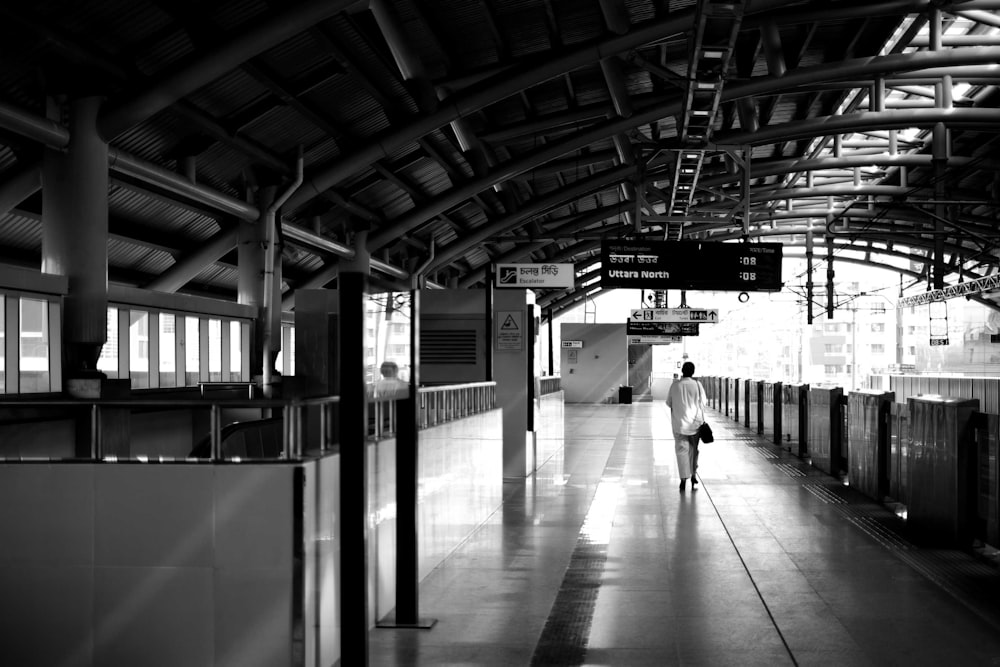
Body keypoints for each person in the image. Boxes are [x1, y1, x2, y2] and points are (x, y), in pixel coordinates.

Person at [665, 361, 708, 492]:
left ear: (682, 371)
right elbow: (704, 403)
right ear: (693, 372)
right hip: (695, 424)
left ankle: (683, 479)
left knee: (681, 451)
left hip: (679, 424)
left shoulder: (675, 385)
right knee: (693, 451)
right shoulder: (697, 385)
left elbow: (669, 403)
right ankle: (693, 475)